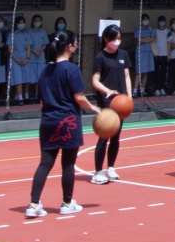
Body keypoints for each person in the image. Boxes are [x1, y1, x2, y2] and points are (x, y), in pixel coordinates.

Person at [26, 30, 97, 218]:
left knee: (45, 163)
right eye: (75, 43)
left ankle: (33, 204)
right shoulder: (71, 69)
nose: (77, 46)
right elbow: (79, 97)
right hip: (68, 121)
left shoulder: (45, 70)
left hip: (48, 121)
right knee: (68, 164)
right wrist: (94, 108)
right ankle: (67, 202)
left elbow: (41, 101)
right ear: (69, 47)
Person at [90, 24, 131, 183]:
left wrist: (129, 96)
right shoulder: (100, 57)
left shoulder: (123, 54)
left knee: (116, 136)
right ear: (106, 39)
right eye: (114, 38)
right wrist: (107, 90)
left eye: (119, 38)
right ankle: (97, 171)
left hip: (121, 101)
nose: (117, 41)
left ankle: (111, 167)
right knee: (105, 135)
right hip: (107, 101)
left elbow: (126, 76)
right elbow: (95, 81)